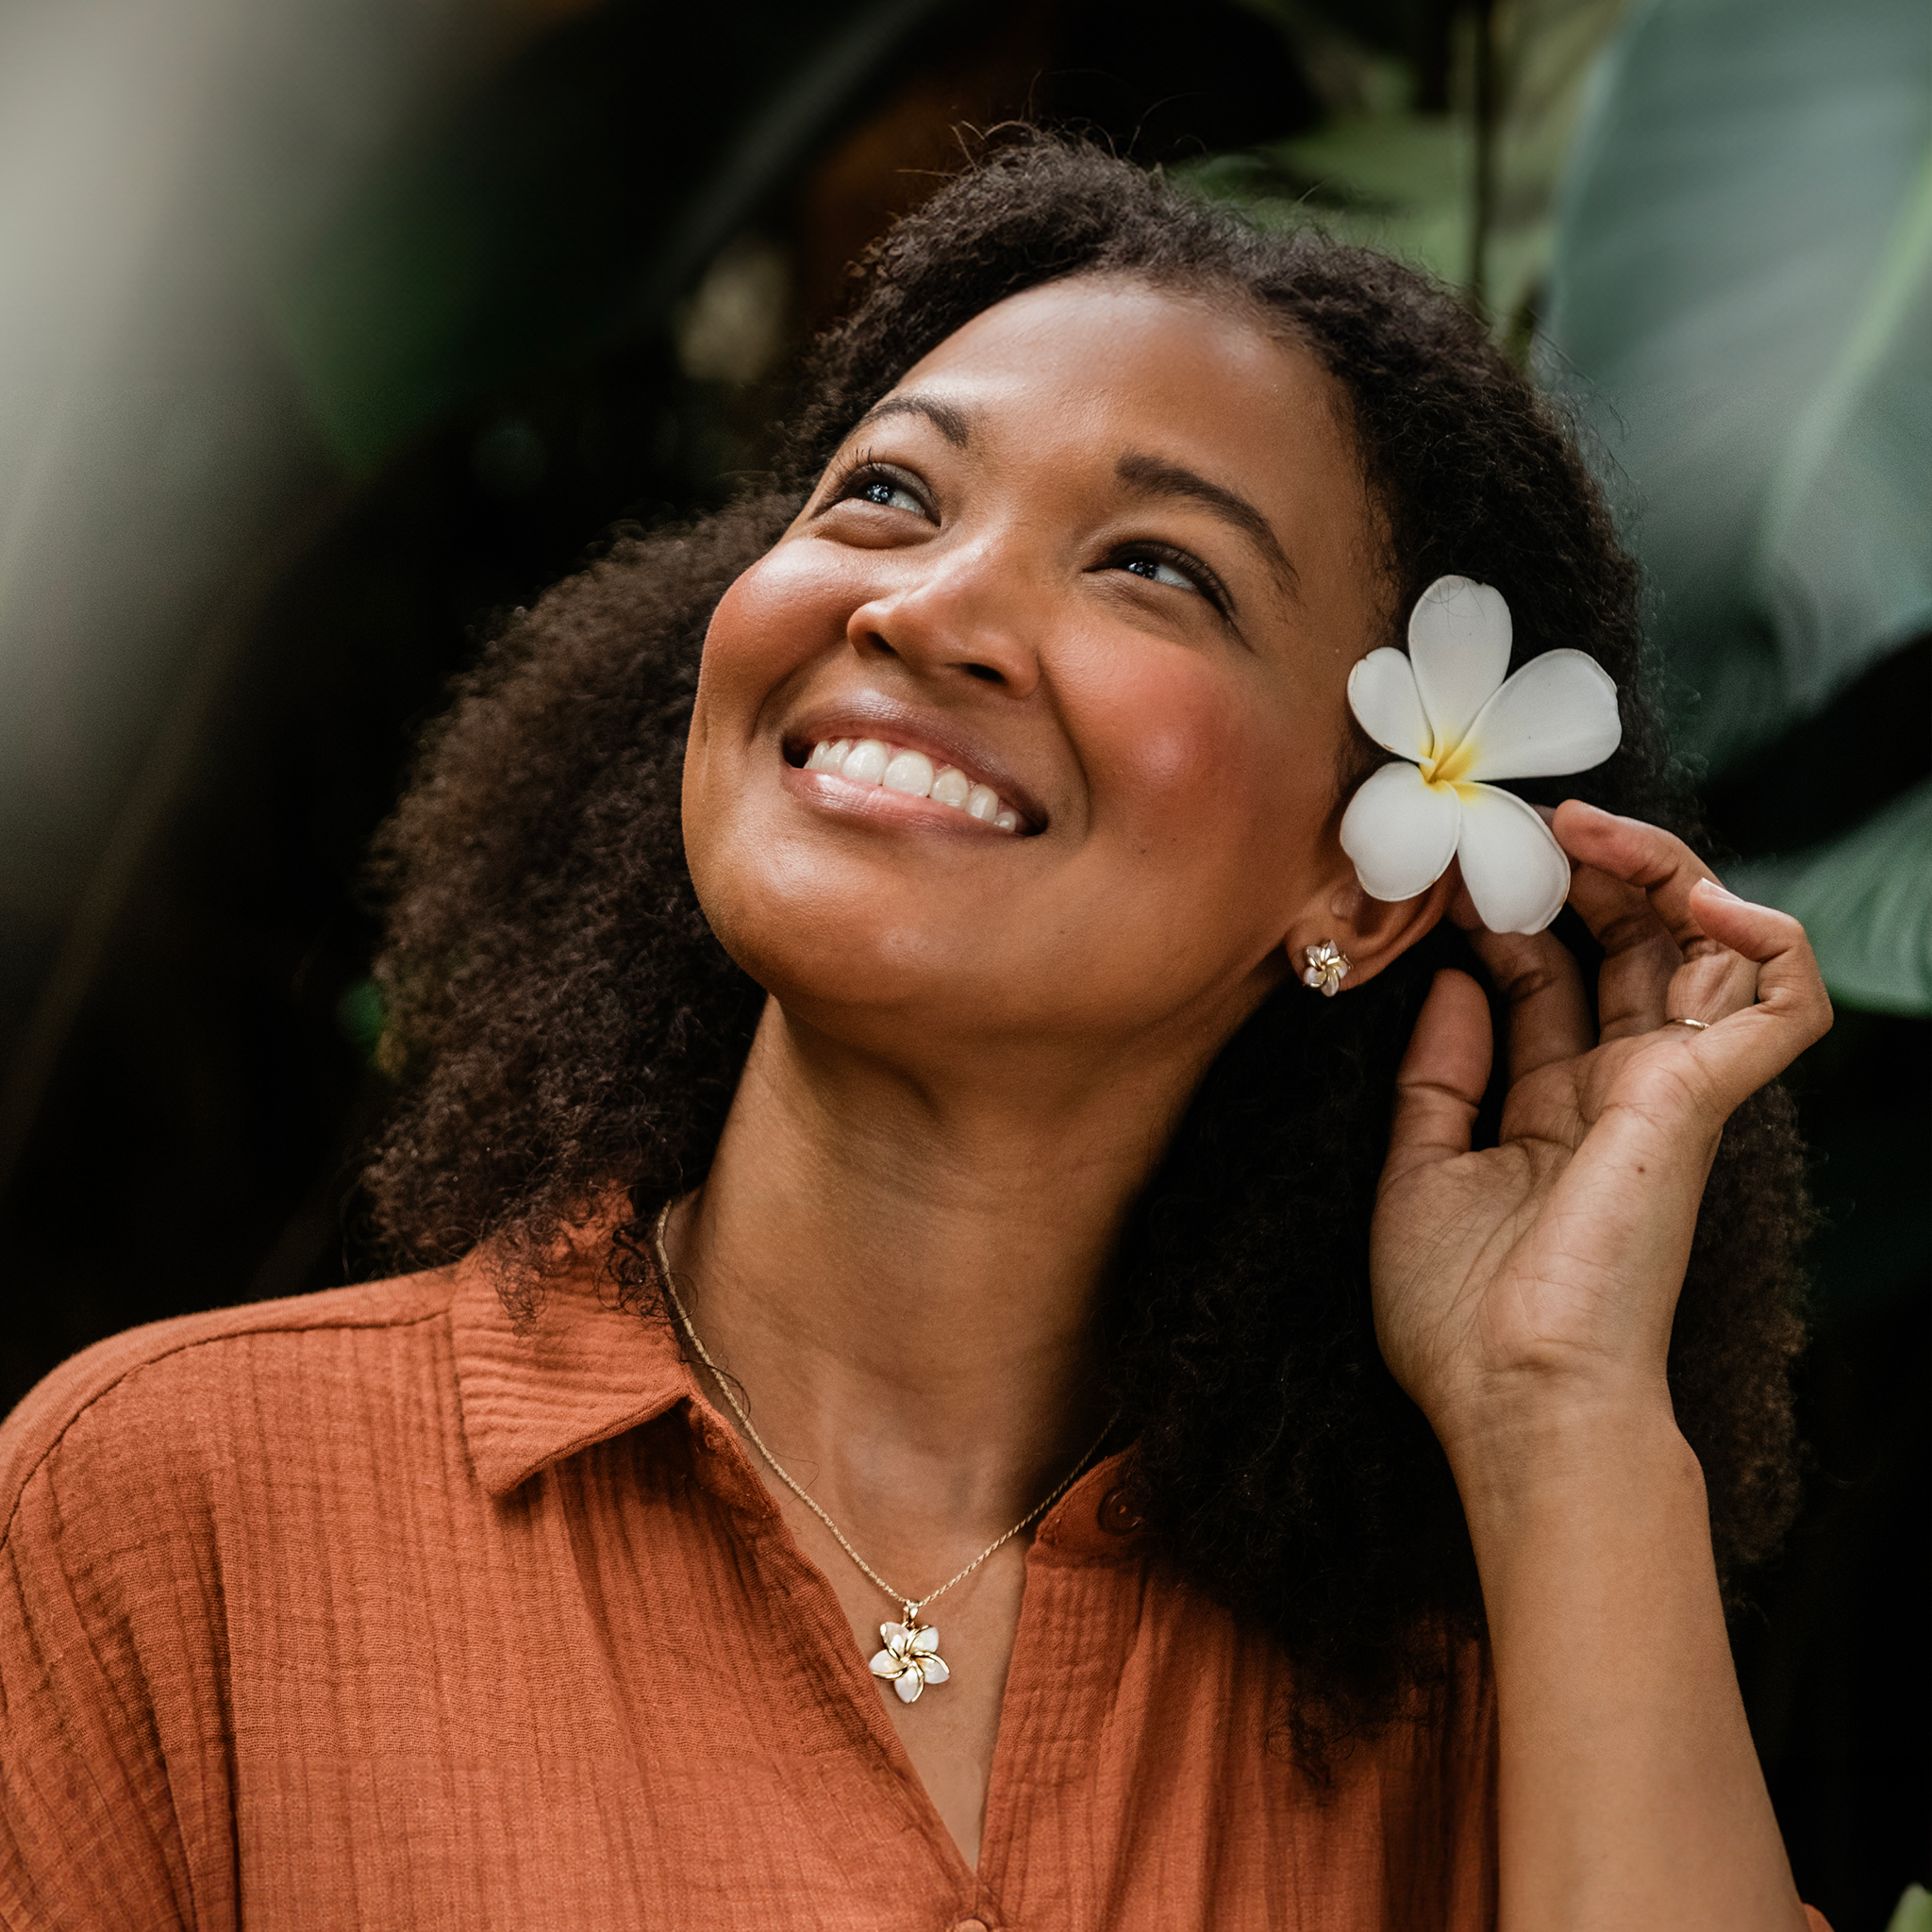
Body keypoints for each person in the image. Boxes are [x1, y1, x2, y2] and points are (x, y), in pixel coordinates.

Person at [0, 137, 1835, 1930]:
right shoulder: (172, 1519)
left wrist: (1559, 1410)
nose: (928, 605)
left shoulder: (1501, 1703)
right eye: (888, 493)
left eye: (1156, 569)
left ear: (1362, 887)